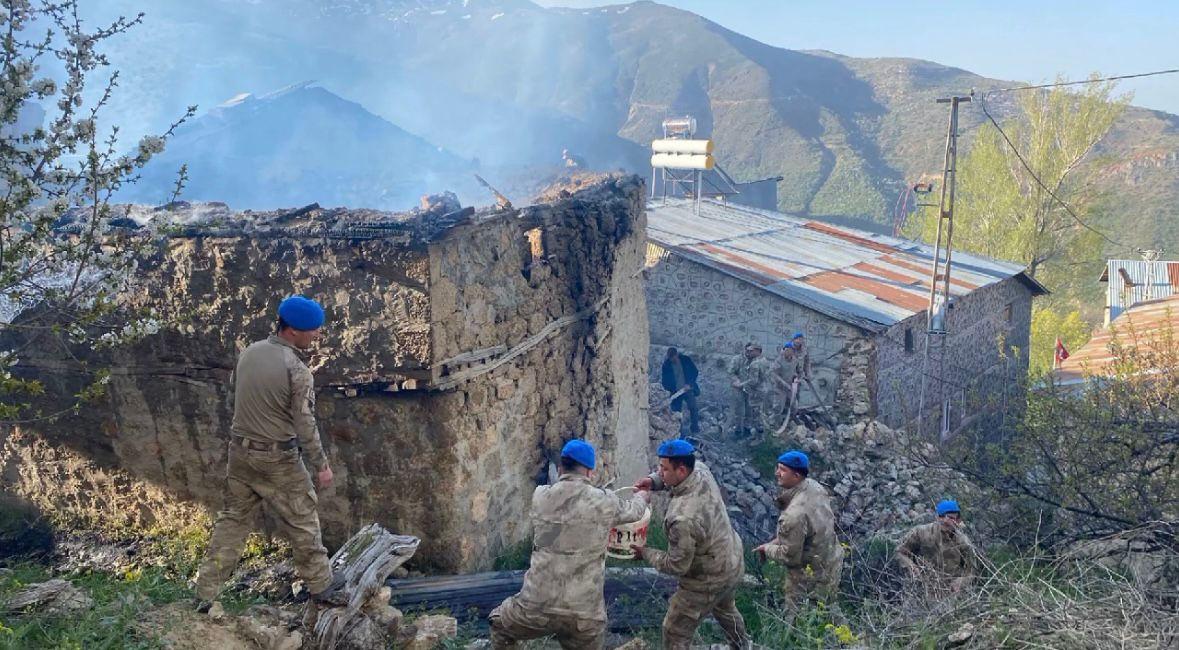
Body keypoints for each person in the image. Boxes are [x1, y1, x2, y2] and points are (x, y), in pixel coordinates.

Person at [195, 295, 344, 610]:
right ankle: (322, 586)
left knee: (232, 521)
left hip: (240, 454)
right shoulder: (297, 370)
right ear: (292, 330)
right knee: (303, 518)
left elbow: (238, 391)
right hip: (278, 459)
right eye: (313, 331)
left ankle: (206, 591)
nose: (317, 336)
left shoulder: (249, 352)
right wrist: (321, 465)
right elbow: (305, 423)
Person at [490, 440, 649, 649]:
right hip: (584, 615)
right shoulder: (604, 502)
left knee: (498, 624)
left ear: (562, 467)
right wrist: (642, 495)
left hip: (536, 607)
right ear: (590, 472)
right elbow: (636, 512)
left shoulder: (540, 496)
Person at [633, 439, 750, 650]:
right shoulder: (701, 470)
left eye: (664, 468)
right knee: (726, 609)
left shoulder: (682, 517)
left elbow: (677, 565)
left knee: (674, 629)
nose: (660, 471)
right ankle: (743, 646)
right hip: (731, 560)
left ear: (681, 470)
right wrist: (654, 481)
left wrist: (645, 553)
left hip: (707, 578)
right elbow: (670, 477)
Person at [754, 451, 843, 611]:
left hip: (808, 576)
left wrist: (766, 549)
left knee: (798, 621)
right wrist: (776, 541)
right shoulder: (814, 487)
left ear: (796, 476)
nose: (777, 473)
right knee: (827, 609)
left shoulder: (794, 515)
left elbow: (790, 557)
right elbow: (808, 531)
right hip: (831, 560)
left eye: (782, 470)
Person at [896, 499, 979, 592]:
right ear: (936, 517)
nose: (945, 521)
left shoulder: (964, 542)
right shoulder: (920, 532)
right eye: (941, 516)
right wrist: (912, 567)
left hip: (950, 594)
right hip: (921, 589)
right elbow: (900, 552)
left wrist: (960, 582)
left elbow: (971, 571)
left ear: (958, 520)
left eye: (950, 518)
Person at [727, 342, 767, 438]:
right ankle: (738, 430)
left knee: (750, 409)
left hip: (750, 389)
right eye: (748, 350)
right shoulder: (737, 359)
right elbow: (731, 372)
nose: (749, 352)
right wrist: (736, 381)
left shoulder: (757, 361)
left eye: (752, 351)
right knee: (739, 410)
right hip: (738, 388)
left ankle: (747, 429)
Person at [661, 347, 701, 436]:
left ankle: (695, 428)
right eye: (670, 358)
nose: (672, 360)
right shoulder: (666, 365)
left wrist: (689, 384)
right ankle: (679, 432)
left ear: (677, 355)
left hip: (687, 389)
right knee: (676, 412)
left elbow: (694, 372)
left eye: (674, 358)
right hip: (675, 392)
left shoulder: (685, 360)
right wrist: (670, 391)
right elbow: (664, 381)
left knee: (693, 408)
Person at [765, 342, 798, 432]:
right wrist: (783, 383)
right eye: (786, 350)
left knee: (794, 406)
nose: (788, 352)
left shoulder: (794, 360)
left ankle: (788, 422)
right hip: (780, 388)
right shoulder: (779, 361)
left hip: (790, 388)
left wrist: (796, 377)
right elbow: (773, 374)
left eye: (790, 350)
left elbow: (794, 371)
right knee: (778, 407)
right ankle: (772, 423)